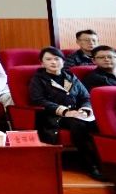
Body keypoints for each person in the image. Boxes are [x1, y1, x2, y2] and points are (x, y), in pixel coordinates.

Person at [29, 47, 103, 180]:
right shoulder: (38, 79)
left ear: (63, 61)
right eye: (48, 59)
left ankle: (106, 161)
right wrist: (65, 111)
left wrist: (84, 109)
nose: (53, 62)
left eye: (57, 59)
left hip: (76, 113)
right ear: (42, 63)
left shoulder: (71, 76)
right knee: (78, 125)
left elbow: (85, 96)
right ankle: (91, 165)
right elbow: (38, 100)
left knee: (99, 123)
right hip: (53, 116)